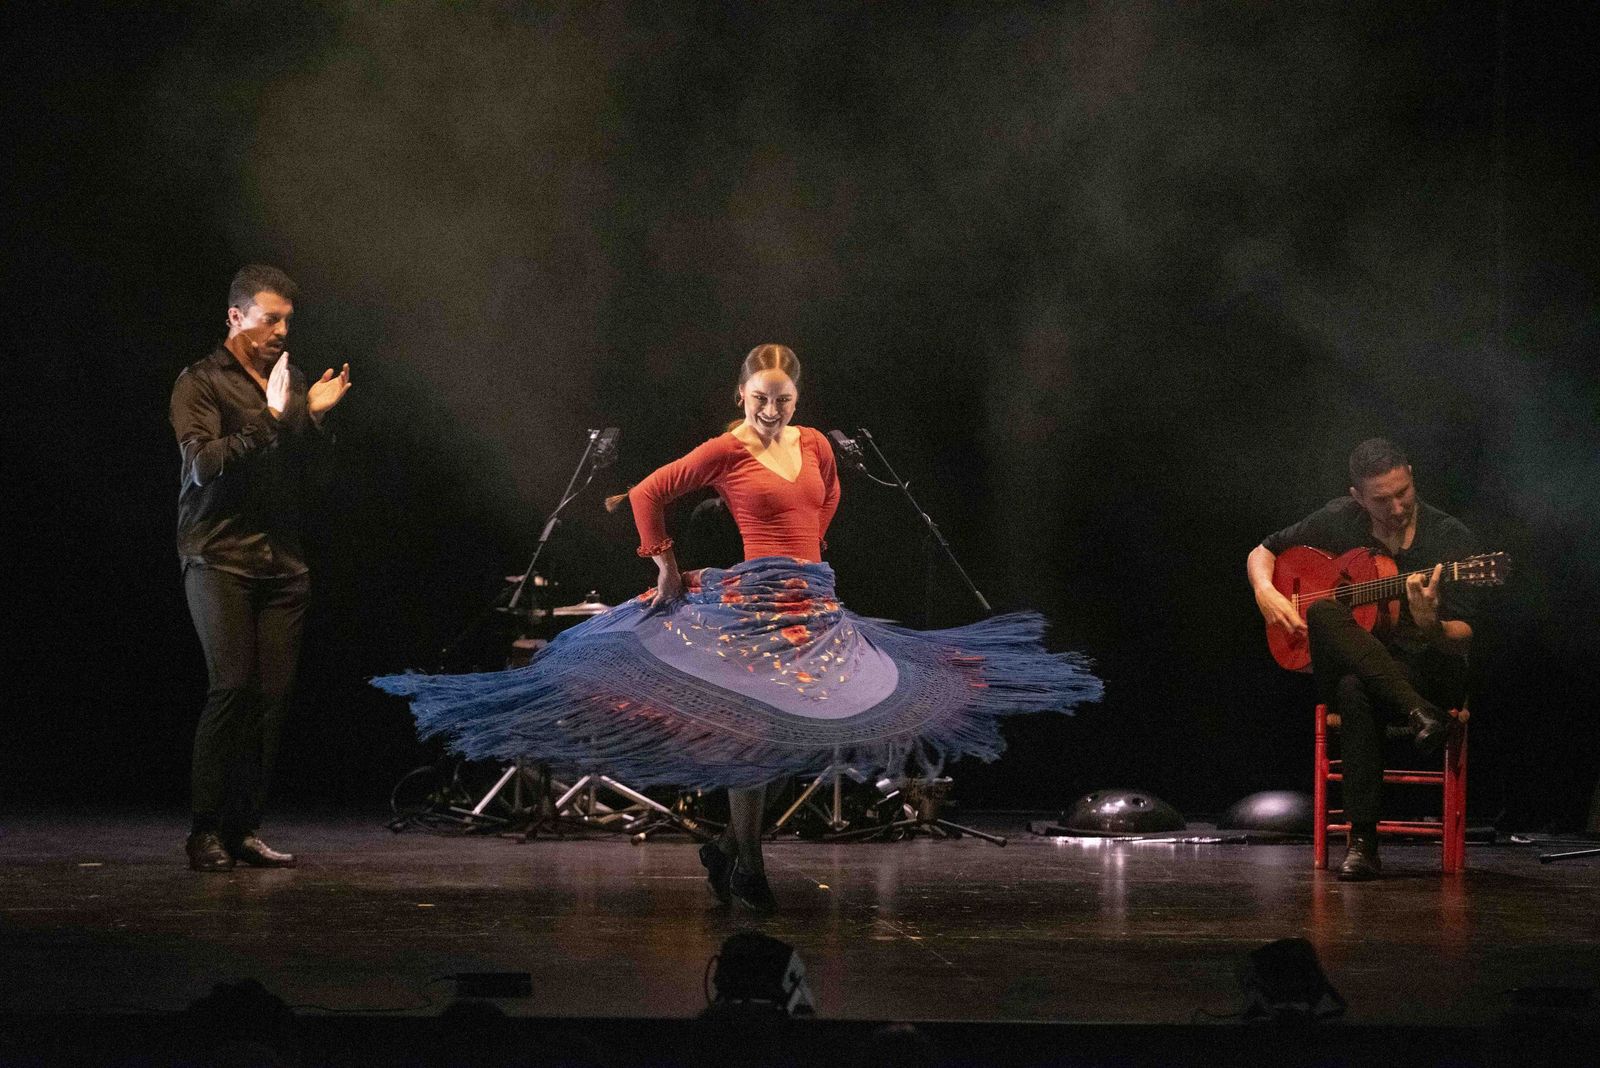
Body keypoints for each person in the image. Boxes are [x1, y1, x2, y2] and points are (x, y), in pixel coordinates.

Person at [375, 344, 1101, 910]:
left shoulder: (815, 443)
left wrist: (812, 562)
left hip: (810, 608)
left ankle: (728, 848)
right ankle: (749, 865)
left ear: (798, 400)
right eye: (759, 401)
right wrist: (662, 567)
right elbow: (649, 493)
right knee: (750, 733)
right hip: (750, 608)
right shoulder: (728, 449)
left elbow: (827, 501)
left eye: (781, 402)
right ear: (741, 396)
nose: (770, 413)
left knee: (803, 728)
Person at [170, 264, 351, 872]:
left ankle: (245, 829)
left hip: (282, 560)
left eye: (286, 321)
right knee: (234, 687)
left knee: (272, 699)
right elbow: (204, 466)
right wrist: (271, 421)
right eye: (269, 318)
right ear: (236, 317)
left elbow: (309, 474)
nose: (280, 330)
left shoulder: (287, 378)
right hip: (218, 553)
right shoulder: (200, 382)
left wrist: (314, 418)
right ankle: (205, 832)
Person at [1247, 438, 1479, 881]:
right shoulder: (1340, 517)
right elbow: (1263, 551)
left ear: (1411, 474)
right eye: (1381, 500)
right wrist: (1266, 593)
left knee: (1355, 689)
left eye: (1403, 493)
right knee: (1323, 611)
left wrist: (1432, 626)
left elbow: (1465, 639)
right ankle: (1419, 715)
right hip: (1384, 680)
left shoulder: (1450, 538)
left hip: (1428, 669)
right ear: (1357, 497)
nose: (1396, 507)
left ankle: (1363, 844)